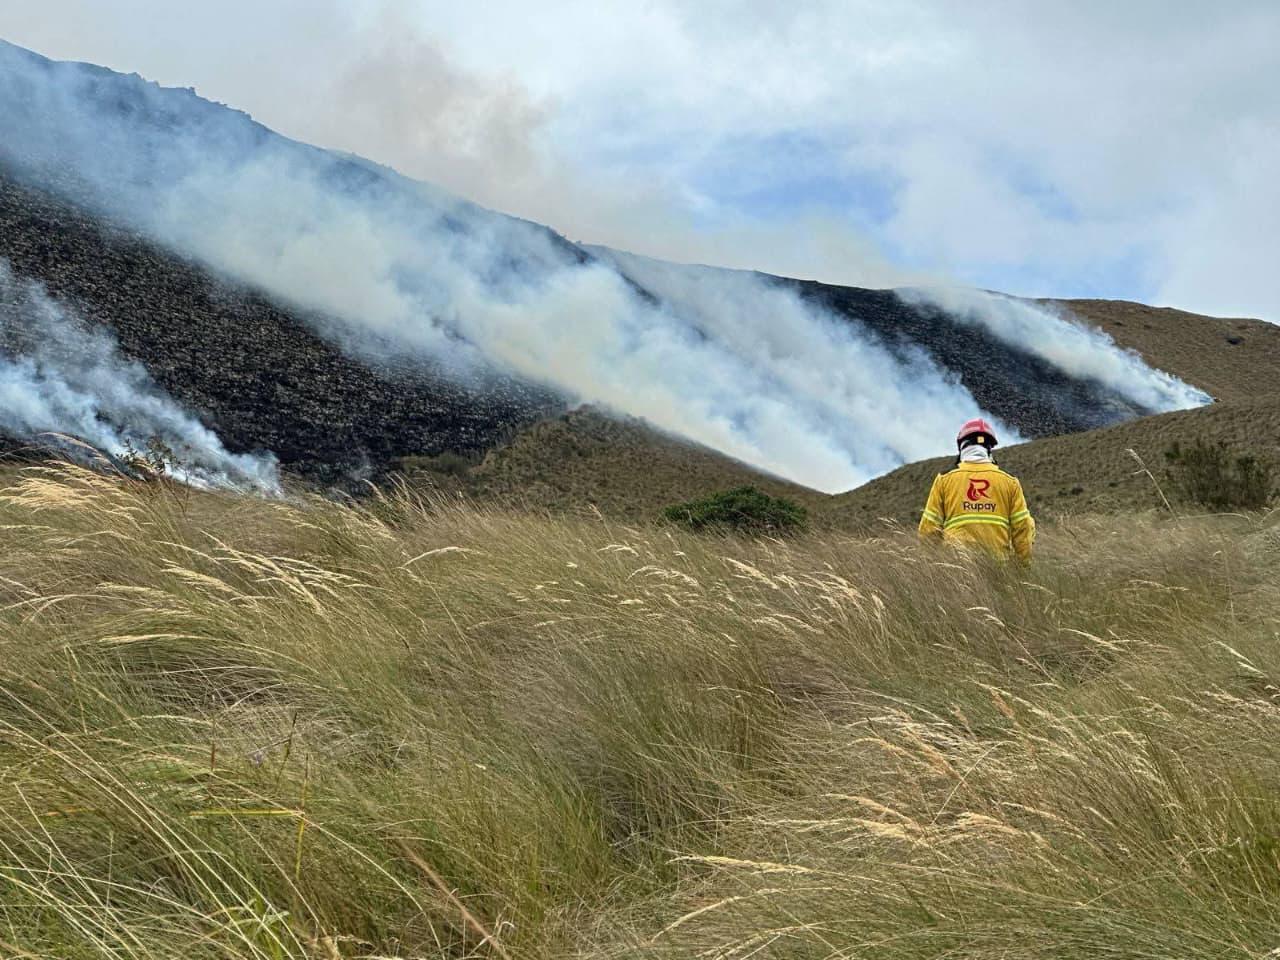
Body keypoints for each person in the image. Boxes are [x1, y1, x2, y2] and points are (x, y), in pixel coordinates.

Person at [918, 419, 1035, 563]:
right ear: (988, 449)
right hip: (999, 568)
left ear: (962, 447)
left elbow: (928, 529)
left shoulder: (944, 480)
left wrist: (931, 566)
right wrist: (1023, 567)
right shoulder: (1010, 482)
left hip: (956, 565)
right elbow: (1023, 528)